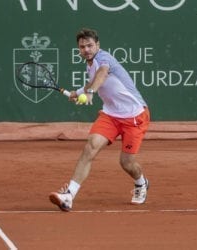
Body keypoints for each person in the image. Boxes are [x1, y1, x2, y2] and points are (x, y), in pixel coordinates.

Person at [49, 28, 150, 211]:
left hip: (134, 116)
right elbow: (93, 79)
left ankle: (141, 183)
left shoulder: (104, 59)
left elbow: (102, 74)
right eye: (82, 47)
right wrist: (78, 92)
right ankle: (69, 195)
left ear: (98, 45)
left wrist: (90, 93)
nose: (86, 49)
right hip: (110, 115)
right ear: (78, 49)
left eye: (90, 45)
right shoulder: (90, 64)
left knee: (126, 162)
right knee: (90, 147)